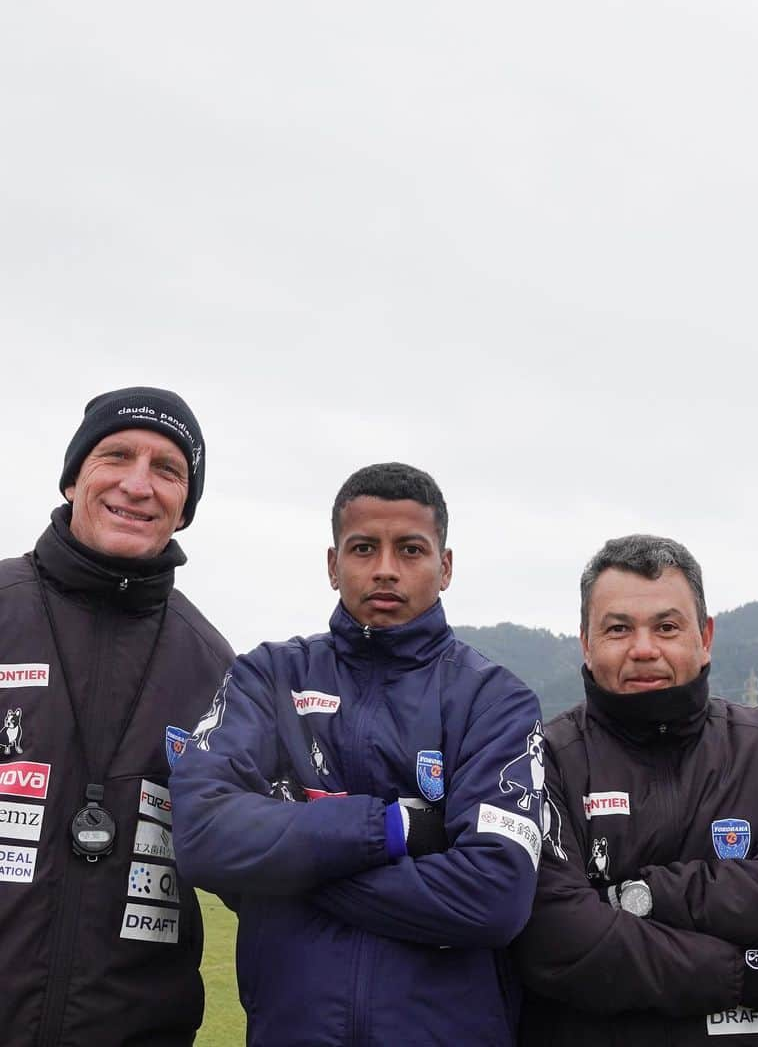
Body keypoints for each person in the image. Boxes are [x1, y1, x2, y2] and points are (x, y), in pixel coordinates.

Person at [171, 462, 544, 1046]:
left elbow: (494, 896)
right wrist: (390, 828)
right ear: (332, 564)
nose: (386, 570)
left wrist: (292, 868)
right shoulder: (268, 676)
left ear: (445, 567)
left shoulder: (494, 700)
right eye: (364, 548)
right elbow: (200, 835)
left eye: (411, 550)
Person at [513, 534, 758, 1045]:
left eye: (666, 627)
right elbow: (558, 937)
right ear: (585, 641)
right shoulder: (544, 757)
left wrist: (639, 896)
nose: (644, 649)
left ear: (704, 636)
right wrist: (735, 973)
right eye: (618, 628)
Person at [0, 386, 233, 1046]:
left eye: (168, 469)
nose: (138, 484)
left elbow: (258, 863)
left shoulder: (217, 667)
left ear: (185, 507)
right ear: (75, 477)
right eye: (116, 456)